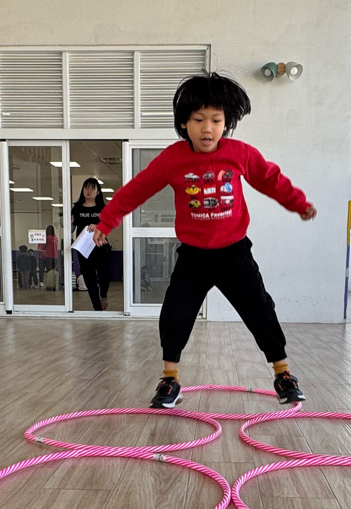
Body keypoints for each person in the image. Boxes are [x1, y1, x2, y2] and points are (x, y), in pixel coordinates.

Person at [93, 71, 317, 408]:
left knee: (260, 310)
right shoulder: (172, 159)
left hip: (234, 254)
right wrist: (107, 220)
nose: (207, 128)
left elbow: (270, 179)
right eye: (198, 120)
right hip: (193, 258)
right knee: (175, 314)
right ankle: (170, 380)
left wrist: (298, 203)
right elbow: (136, 190)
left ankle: (283, 374)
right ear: (184, 123)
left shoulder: (239, 153)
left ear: (227, 122)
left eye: (216, 120)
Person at [71, 178, 112, 310]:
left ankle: (103, 295)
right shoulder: (76, 208)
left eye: (92, 188)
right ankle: (97, 308)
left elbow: (109, 226)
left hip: (100, 245)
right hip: (83, 247)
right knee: (89, 278)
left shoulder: (103, 208)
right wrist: (69, 222)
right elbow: (70, 229)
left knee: (104, 276)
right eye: (86, 188)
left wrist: (98, 227)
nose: (88, 191)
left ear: (98, 192)